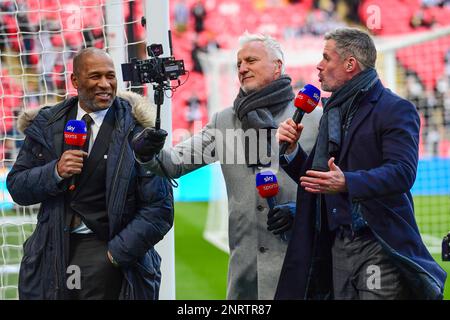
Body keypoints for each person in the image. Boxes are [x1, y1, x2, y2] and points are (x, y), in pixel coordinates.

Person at [131, 32, 322, 299]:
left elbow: (332, 188)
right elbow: (173, 164)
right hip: (245, 271)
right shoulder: (225, 121)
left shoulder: (314, 118)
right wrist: (146, 152)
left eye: (251, 60)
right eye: (239, 63)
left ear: (277, 65)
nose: (243, 68)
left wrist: (300, 210)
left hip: (300, 263)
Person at [275, 28, 446, 300]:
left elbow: (403, 173)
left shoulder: (394, 108)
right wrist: (293, 151)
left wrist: (347, 182)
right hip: (336, 244)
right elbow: (320, 179)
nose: (319, 65)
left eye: (326, 58)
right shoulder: (332, 112)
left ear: (350, 64)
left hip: (377, 243)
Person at [7, 47, 174, 300]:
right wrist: (54, 172)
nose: (105, 84)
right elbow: (17, 186)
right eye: (95, 76)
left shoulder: (139, 132)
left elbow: (160, 209)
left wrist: (115, 255)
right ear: (75, 81)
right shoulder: (46, 124)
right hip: (52, 253)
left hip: (111, 257)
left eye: (110, 76)